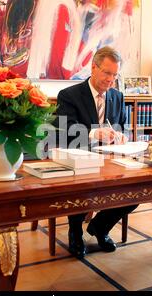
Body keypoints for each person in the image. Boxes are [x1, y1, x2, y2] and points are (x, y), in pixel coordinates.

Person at [53, 46, 137, 259]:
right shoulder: (69, 95)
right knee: (84, 188)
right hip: (79, 157)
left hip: (111, 159)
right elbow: (65, 131)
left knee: (136, 189)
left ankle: (100, 227)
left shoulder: (117, 96)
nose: (111, 80)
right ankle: (75, 231)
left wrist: (121, 136)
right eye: (107, 73)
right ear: (93, 68)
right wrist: (93, 133)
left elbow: (121, 127)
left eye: (115, 75)